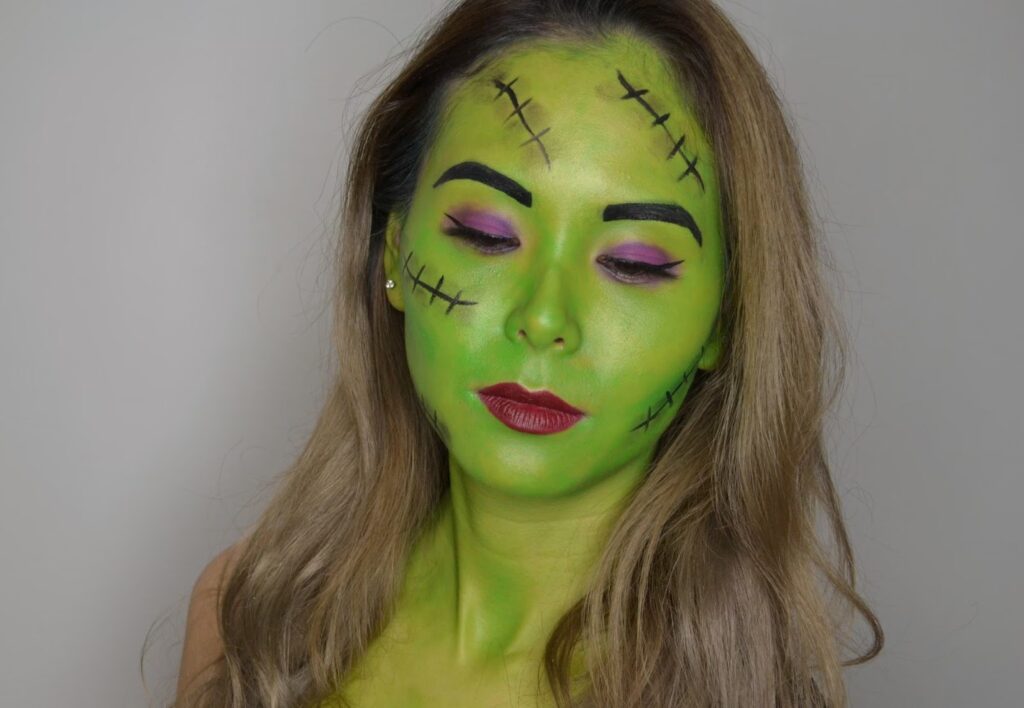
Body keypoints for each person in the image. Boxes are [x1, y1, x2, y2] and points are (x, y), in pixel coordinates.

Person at [173, 1, 883, 706]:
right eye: (486, 234)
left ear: (725, 321)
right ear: (392, 251)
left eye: (633, 264)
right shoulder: (248, 622)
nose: (543, 319)